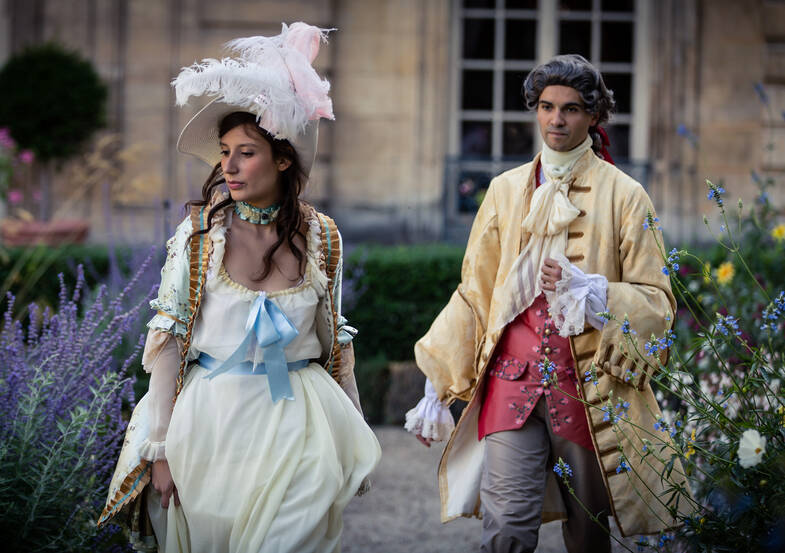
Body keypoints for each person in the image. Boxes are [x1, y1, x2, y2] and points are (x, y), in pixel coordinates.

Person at [98, 22, 381, 553]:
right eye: (224, 151)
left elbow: (335, 340)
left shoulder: (322, 236)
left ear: (282, 158)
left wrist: (354, 430)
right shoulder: (199, 237)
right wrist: (160, 449)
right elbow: (169, 341)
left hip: (299, 420)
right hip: (213, 421)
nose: (227, 166)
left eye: (245, 152)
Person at [405, 54, 687, 552]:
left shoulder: (626, 195)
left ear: (593, 116)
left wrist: (593, 292)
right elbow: (476, 291)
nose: (556, 119)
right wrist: (438, 379)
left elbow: (657, 302)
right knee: (506, 530)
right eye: (546, 107)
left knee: (588, 534)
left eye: (571, 109)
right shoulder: (504, 190)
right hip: (511, 385)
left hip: (588, 393)